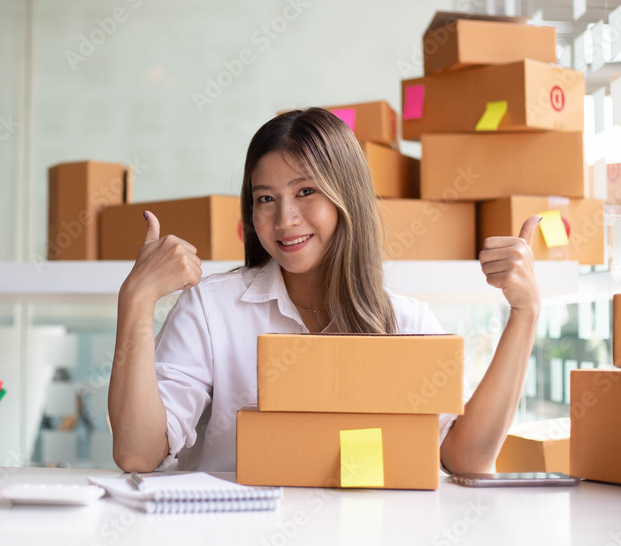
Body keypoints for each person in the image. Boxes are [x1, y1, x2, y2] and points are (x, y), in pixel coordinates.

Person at [108, 107, 541, 475]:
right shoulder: (212, 309)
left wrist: (525, 313)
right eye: (266, 199)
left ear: (345, 197)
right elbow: (138, 453)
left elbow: (465, 459)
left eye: (306, 191)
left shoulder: (406, 323)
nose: (285, 219)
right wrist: (136, 299)